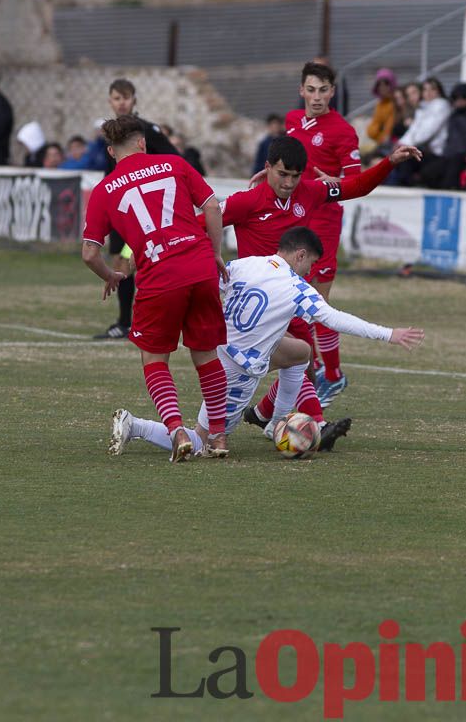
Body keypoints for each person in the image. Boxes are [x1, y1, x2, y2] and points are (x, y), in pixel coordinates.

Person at [109, 227, 425, 459]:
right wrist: (389, 334)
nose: (309, 273)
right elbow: (333, 319)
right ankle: (135, 425)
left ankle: (275, 423)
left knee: (301, 353)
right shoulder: (296, 288)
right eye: (310, 265)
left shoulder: (243, 264)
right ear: (300, 255)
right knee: (202, 443)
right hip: (237, 371)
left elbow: (206, 283)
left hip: (214, 352)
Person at [220, 137, 421, 432]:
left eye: (295, 175)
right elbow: (201, 224)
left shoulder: (311, 192)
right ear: (267, 167)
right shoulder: (245, 201)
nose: (289, 183)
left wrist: (388, 163)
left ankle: (268, 416)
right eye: (282, 174)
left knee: (305, 363)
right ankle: (311, 424)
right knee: (301, 362)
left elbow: (357, 186)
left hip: (290, 299)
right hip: (257, 306)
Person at [80, 115, 230, 462]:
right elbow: (211, 206)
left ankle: (177, 430)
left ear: (110, 151)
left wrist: (109, 275)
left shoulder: (105, 189)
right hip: (199, 266)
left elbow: (89, 252)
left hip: (160, 276)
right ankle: (218, 437)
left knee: (154, 358)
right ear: (143, 143)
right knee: (206, 354)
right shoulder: (174, 163)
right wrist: (216, 252)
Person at [284, 60, 361, 407]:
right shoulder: (291, 121)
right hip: (294, 218)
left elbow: (355, 181)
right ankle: (310, 368)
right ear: (302, 90)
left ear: (333, 92)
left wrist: (336, 184)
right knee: (292, 299)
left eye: (323, 90)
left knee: (317, 303)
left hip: (325, 221)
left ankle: (332, 375)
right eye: (310, 89)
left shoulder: (343, 131)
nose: (316, 97)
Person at [94, 77, 181, 341]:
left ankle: (129, 323)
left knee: (130, 263)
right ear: (110, 101)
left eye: (126, 97)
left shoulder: (145, 129)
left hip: (143, 212)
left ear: (134, 100)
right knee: (122, 263)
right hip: (122, 210)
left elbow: (175, 159)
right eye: (117, 98)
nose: (122, 103)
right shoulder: (110, 131)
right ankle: (128, 322)